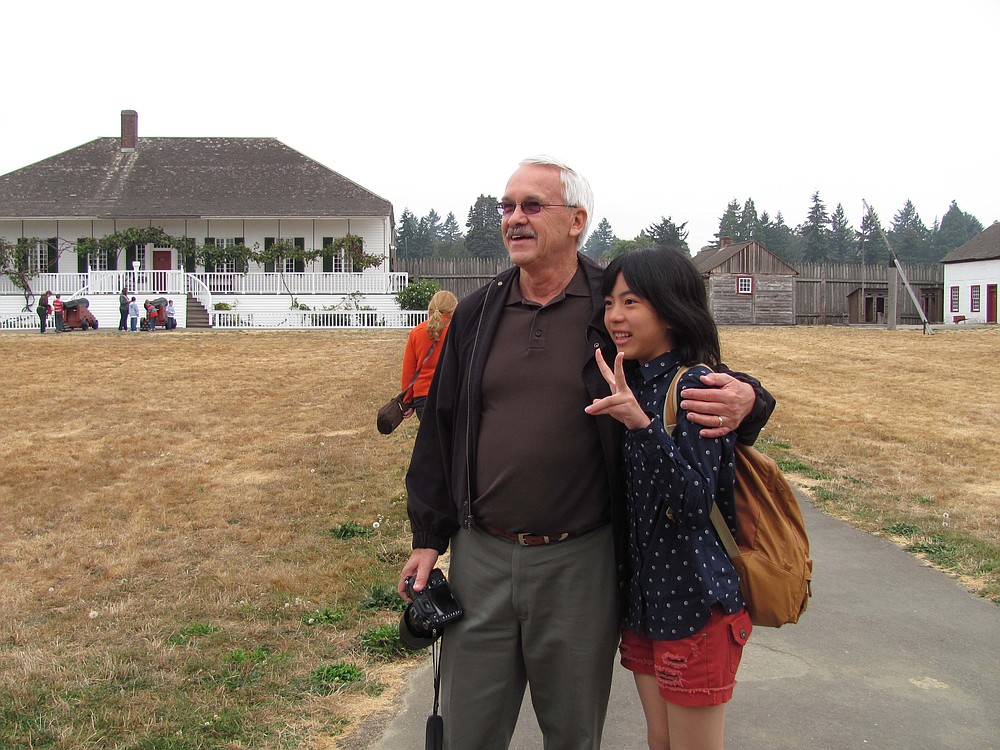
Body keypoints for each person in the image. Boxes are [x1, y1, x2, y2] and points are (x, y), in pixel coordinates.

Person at [398, 156, 774, 750]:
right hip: (482, 558)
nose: (514, 219)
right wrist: (428, 536)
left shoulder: (615, 303)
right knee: (469, 732)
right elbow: (439, 428)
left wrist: (750, 399)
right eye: (507, 206)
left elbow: (691, 358)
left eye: (531, 206)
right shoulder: (476, 312)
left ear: (577, 220)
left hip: (580, 560)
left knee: (573, 735)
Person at [585, 247, 751, 750]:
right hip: (645, 606)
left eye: (632, 302)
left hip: (695, 603)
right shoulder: (633, 380)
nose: (616, 316)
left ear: (672, 309)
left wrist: (641, 425)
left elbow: (695, 502)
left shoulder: (698, 386)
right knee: (661, 741)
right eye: (611, 302)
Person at [400, 290, 458, 420]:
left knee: (430, 439)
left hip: (423, 397)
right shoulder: (458, 331)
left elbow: (409, 372)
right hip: (451, 394)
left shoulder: (416, 333)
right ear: (453, 310)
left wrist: (408, 401)